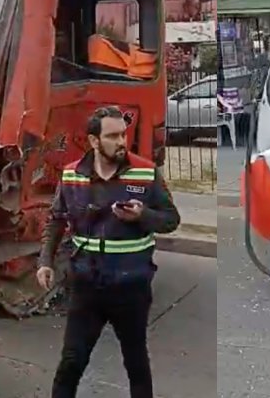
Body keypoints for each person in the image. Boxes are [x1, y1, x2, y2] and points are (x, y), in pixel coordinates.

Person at [36, 105, 181, 398]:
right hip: (86, 284)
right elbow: (57, 220)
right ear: (93, 141)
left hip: (131, 285)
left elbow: (171, 220)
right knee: (71, 362)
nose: (121, 142)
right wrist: (45, 261)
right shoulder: (72, 175)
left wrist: (142, 216)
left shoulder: (145, 173)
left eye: (123, 135)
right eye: (112, 136)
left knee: (136, 362)